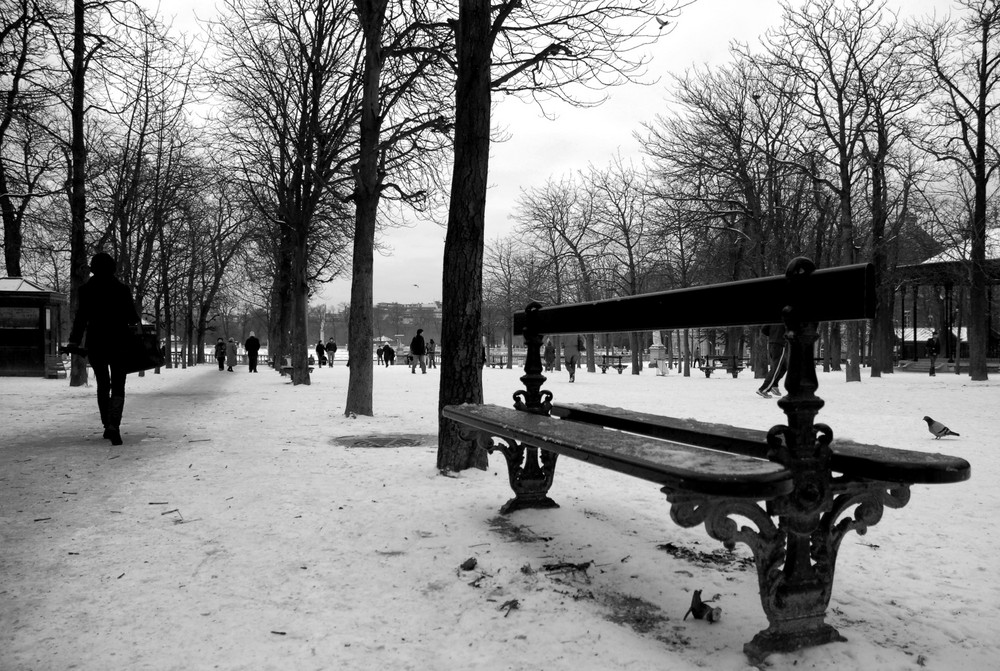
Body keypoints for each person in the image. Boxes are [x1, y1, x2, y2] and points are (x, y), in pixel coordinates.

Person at [65, 252, 141, 446]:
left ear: (94, 268)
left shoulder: (87, 290)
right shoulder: (122, 289)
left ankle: (106, 424)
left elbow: (81, 318)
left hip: (97, 343)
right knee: (118, 385)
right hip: (120, 343)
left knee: (102, 384)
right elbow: (133, 318)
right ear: (113, 268)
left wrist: (74, 341)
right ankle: (114, 425)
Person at [756, 324, 787, 398]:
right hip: (779, 344)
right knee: (775, 369)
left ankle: (774, 385)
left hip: (771, 343)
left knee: (784, 366)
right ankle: (763, 389)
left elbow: (764, 329)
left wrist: (773, 334)